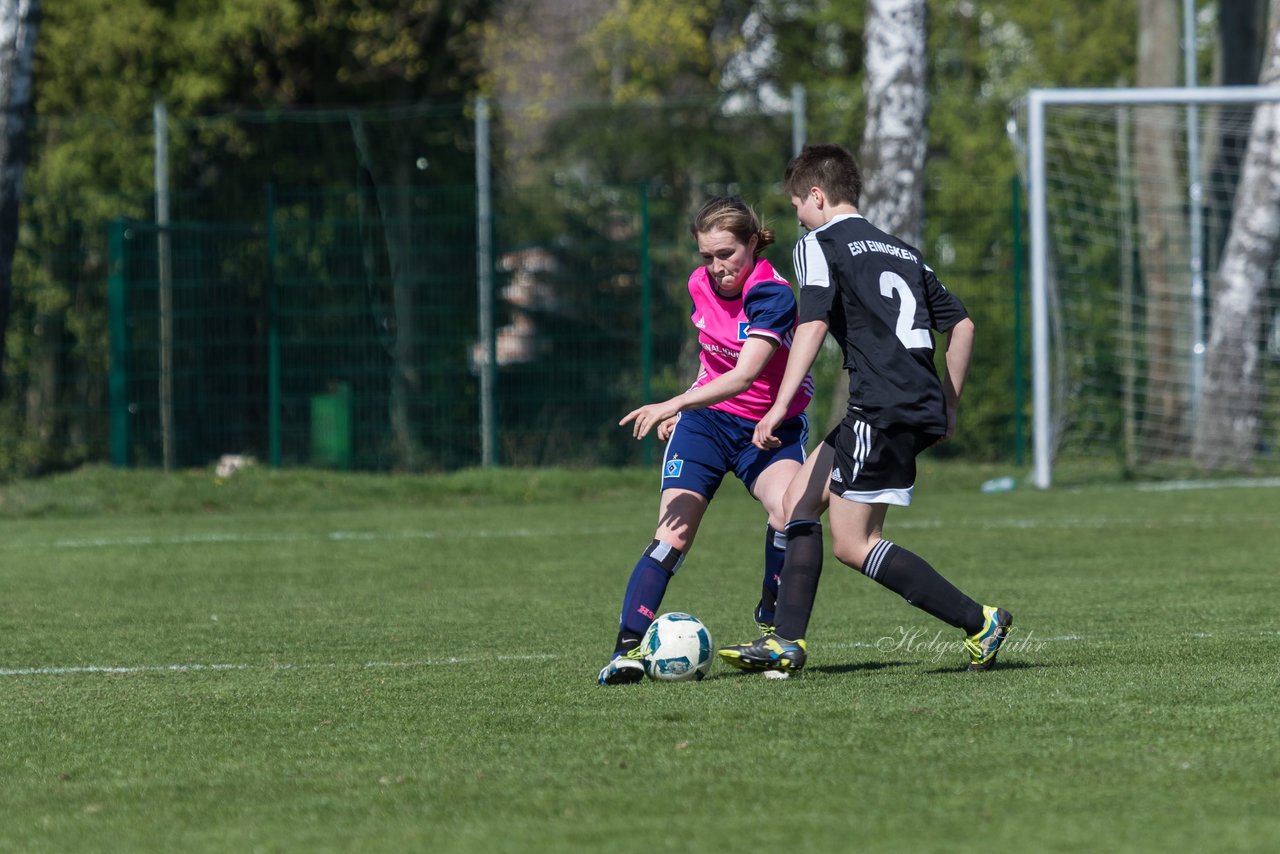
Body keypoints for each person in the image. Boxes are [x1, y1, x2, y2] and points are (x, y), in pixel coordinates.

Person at [718, 143, 1013, 675]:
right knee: (792, 504)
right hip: (907, 401)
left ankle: (979, 621)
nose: (797, 216)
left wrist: (779, 405)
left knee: (855, 544)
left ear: (816, 195)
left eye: (796, 205)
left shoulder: (818, 242)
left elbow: (811, 325)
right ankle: (786, 640)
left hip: (881, 405)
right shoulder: (902, 249)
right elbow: (963, 324)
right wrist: (948, 404)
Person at [598, 196, 815, 685]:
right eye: (706, 256)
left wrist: (673, 403)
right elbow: (713, 360)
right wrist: (693, 402)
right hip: (708, 424)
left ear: (754, 243)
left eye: (726, 254)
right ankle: (626, 651)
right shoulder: (700, 284)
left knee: (787, 512)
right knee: (671, 536)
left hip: (768, 430)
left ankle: (772, 633)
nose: (716, 268)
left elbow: (744, 375)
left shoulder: (773, 295)